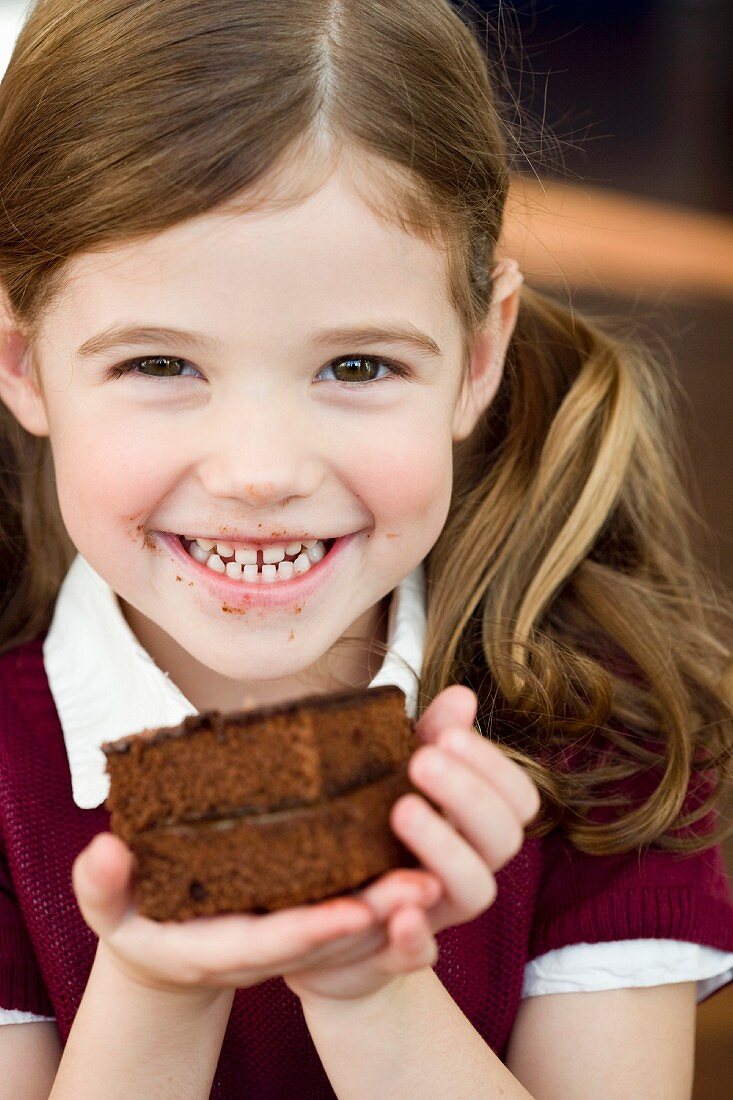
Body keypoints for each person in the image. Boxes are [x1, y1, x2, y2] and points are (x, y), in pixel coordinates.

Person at [0, 1, 731, 1096]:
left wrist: (369, 985)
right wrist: (153, 983)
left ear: (478, 355)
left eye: (355, 367)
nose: (258, 470)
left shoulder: (601, 741)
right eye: (159, 365)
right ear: (23, 364)